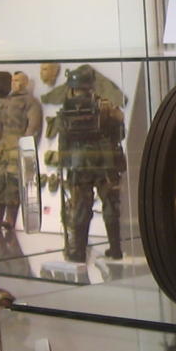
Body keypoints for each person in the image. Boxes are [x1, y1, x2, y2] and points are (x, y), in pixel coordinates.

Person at [52, 65, 125, 262]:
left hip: (79, 164)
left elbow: (63, 141)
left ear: (72, 86)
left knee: (81, 207)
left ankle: (78, 252)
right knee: (110, 205)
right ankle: (116, 249)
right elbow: (119, 134)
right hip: (105, 162)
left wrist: (64, 164)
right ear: (91, 85)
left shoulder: (66, 110)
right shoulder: (105, 107)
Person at [0, 70, 43, 230]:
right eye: (13, 80)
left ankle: (10, 220)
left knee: (14, 184)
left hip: (17, 146)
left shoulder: (30, 102)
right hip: (3, 147)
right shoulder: (3, 102)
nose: (14, 83)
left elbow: (33, 126)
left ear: (25, 83)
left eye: (18, 80)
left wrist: (26, 147)